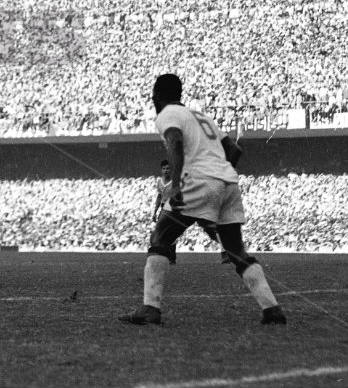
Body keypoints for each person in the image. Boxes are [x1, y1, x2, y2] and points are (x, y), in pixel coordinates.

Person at [120, 74, 285, 326]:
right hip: (228, 182)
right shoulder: (201, 116)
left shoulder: (167, 114)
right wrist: (218, 176)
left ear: (156, 95)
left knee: (160, 237)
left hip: (196, 182)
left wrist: (176, 186)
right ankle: (271, 308)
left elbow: (174, 141)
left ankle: (150, 307)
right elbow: (235, 150)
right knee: (235, 249)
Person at [153, 159, 230, 264]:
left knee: (212, 230)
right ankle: (170, 257)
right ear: (161, 170)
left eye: (168, 168)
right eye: (164, 168)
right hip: (166, 208)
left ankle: (226, 250)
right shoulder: (159, 181)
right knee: (165, 233)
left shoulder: (177, 181)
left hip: (179, 207)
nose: (166, 170)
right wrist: (155, 211)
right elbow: (159, 196)